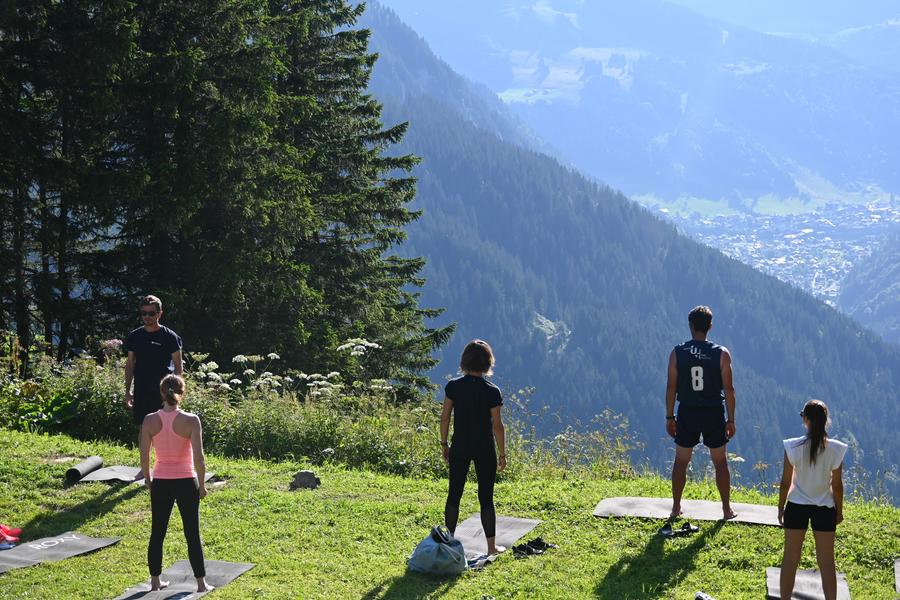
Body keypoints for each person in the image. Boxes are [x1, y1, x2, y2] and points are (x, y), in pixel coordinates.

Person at [139, 375, 211, 593]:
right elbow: (199, 458)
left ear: (162, 393)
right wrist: (203, 485)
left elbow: (144, 456)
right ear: (183, 393)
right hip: (186, 482)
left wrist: (149, 480)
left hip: (161, 482)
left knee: (157, 532)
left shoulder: (149, 420)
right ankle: (201, 584)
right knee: (192, 533)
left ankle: (155, 582)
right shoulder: (191, 420)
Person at [665, 305, 737, 519]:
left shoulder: (677, 353)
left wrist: (670, 416)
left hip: (687, 411)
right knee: (720, 462)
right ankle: (726, 509)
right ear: (710, 326)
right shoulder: (721, 354)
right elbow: (729, 390)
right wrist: (731, 419)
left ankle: (676, 508)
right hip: (714, 412)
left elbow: (671, 387)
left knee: (681, 462)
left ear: (690, 326)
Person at [440, 339, 507, 556]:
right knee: (486, 497)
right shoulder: (492, 391)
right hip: (484, 448)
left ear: (464, 361)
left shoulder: (453, 386)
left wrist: (444, 443)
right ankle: (491, 547)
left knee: (454, 494)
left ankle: (449, 543)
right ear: (488, 363)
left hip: (459, 446)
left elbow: (445, 418)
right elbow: (497, 426)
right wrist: (502, 453)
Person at [778, 399, 846, 600]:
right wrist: (839, 511)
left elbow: (785, 482)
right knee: (826, 563)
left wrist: (780, 507)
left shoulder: (792, 446)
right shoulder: (836, 449)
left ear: (805, 420)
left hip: (796, 506)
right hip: (824, 508)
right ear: (826, 421)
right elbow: (837, 486)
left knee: (790, 559)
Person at [125, 295, 183, 426]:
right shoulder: (134, 336)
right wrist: (128, 391)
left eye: (151, 313)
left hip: (164, 392)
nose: (147, 317)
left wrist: (176, 393)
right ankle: (143, 448)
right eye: (144, 313)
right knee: (143, 427)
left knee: (163, 427)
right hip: (141, 389)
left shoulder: (171, 337)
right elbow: (129, 365)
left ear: (160, 313)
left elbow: (179, 369)